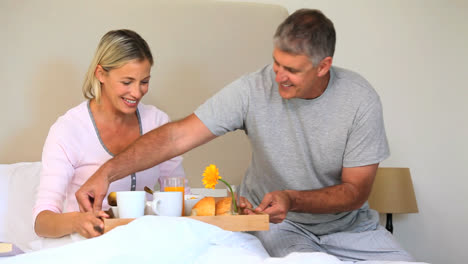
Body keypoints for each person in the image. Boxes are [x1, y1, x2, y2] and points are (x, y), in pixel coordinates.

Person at [76, 10, 413, 261]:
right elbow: (178, 136)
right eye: (276, 63)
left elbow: (355, 192)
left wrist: (292, 198)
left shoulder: (360, 100)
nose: (278, 77)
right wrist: (106, 173)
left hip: (351, 228)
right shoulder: (253, 88)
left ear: (323, 66)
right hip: (282, 227)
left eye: (292, 70)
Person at [33, 29, 186, 239]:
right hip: (88, 245)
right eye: (127, 82)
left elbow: (177, 194)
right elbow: (42, 222)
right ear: (101, 74)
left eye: (144, 82)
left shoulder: (157, 123)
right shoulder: (68, 130)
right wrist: (78, 221)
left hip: (147, 243)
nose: (137, 92)